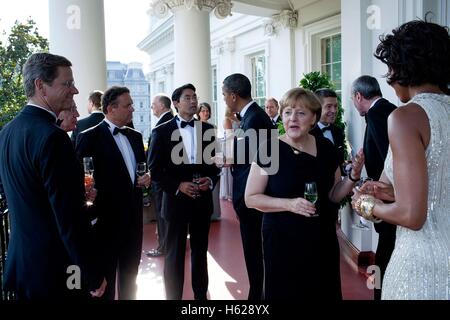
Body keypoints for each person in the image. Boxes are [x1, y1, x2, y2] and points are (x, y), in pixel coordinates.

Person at [352, 20, 450, 300]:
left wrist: (366, 204)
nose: (389, 80)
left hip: (422, 263)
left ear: (401, 69)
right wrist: (392, 190)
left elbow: (411, 216)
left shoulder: (406, 116)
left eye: (390, 70)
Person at [0, 52, 105, 299]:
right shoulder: (53, 138)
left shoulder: (6, 132)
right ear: (40, 86)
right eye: (67, 83)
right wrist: (91, 272)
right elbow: (69, 217)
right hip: (56, 272)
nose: (75, 90)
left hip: (22, 266)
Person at [245, 87, 364, 300]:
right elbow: (251, 197)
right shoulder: (269, 149)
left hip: (321, 239)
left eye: (301, 113)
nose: (293, 118)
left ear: (313, 118)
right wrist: (289, 204)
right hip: (283, 241)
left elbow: (334, 194)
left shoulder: (326, 148)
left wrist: (353, 177)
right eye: (288, 112)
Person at [75, 86, 150, 300]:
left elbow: (140, 172)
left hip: (134, 222)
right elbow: (82, 180)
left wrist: (147, 178)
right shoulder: (88, 137)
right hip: (105, 224)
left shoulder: (135, 137)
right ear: (111, 108)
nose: (132, 110)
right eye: (128, 106)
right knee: (106, 281)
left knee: (131, 279)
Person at [148, 83, 220, 300]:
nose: (193, 101)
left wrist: (210, 180)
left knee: (200, 254)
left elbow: (214, 166)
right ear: (176, 103)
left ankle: (201, 299)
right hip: (175, 202)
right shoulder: (161, 131)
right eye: (187, 97)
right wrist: (177, 186)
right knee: (174, 255)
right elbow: (154, 169)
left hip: (201, 201)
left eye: (195, 97)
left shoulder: (207, 130)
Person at [222, 73, 274, 300]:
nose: (224, 99)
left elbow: (251, 161)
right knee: (254, 251)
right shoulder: (251, 116)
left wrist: (222, 158)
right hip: (250, 196)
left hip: (251, 198)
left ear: (234, 96)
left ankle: (257, 298)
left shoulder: (254, 118)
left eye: (224, 95)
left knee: (255, 251)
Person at [351, 75, 397, 300]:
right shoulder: (389, 109)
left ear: (359, 96)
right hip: (389, 197)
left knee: (384, 254)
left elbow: (391, 158)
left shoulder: (377, 114)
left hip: (388, 200)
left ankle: (379, 294)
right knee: (385, 251)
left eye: (353, 99)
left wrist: (373, 190)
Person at [146, 94, 174, 258]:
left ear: (163, 106)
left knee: (163, 215)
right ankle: (168, 244)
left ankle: (164, 246)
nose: (152, 107)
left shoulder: (162, 125)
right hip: (169, 178)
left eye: (153, 104)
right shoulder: (171, 121)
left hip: (162, 179)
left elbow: (155, 156)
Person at [310, 88, 346, 169]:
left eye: (336, 106)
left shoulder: (338, 131)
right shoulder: (308, 132)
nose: (334, 110)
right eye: (329, 106)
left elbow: (340, 162)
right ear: (317, 108)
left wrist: (347, 167)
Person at [219, 108, 240, 201]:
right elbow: (230, 135)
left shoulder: (237, 118)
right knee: (229, 169)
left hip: (238, 144)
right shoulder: (227, 119)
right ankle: (229, 192)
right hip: (229, 144)